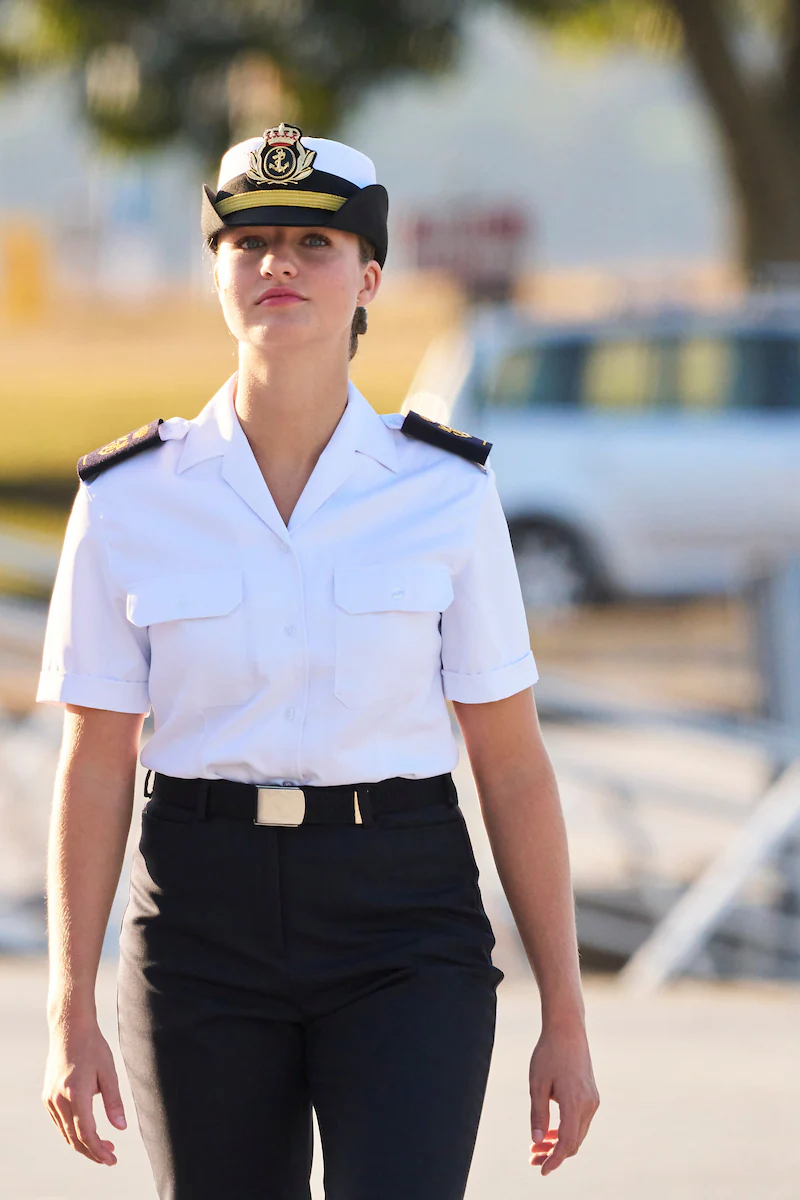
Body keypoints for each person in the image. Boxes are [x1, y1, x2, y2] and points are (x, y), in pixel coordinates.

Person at [37, 122, 599, 1199]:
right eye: (249, 242)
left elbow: (512, 762)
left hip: (402, 915)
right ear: (215, 272)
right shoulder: (127, 499)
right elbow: (95, 760)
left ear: (369, 276)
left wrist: (563, 1018)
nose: (278, 264)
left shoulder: (445, 492)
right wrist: (67, 1011)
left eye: (313, 241)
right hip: (199, 920)